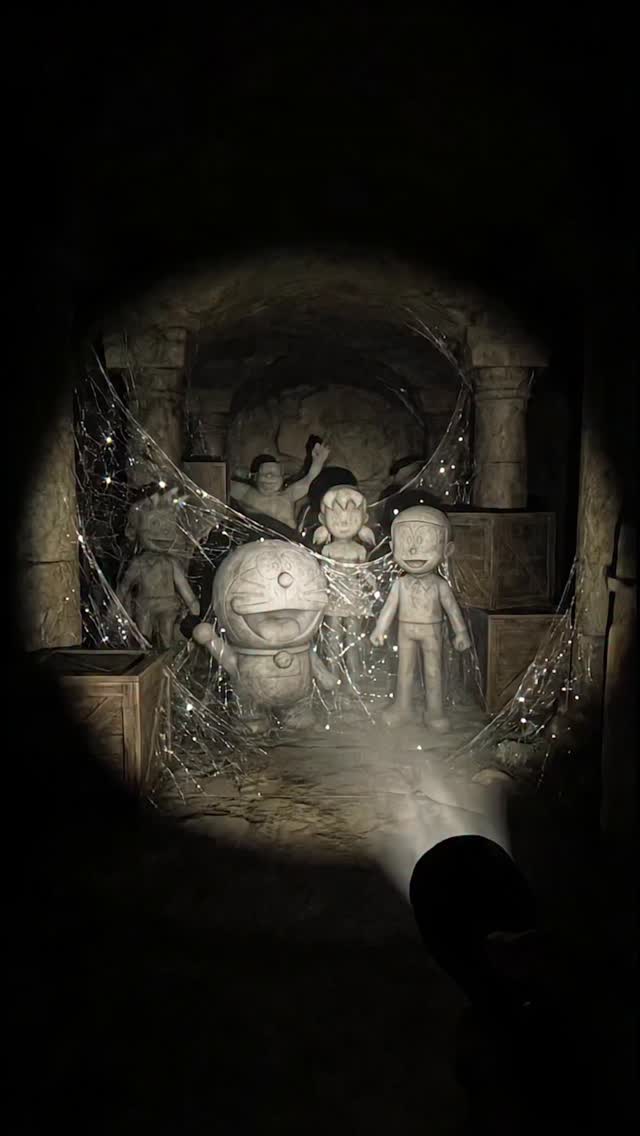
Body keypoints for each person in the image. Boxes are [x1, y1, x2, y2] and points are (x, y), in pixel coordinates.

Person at [230, 441, 330, 528]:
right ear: (255, 477)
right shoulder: (246, 492)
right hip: (257, 539)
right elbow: (222, 482)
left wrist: (318, 461)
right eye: (264, 474)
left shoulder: (288, 495)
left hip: (287, 540)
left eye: (274, 475)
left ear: (282, 478)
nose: (269, 478)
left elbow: (309, 479)